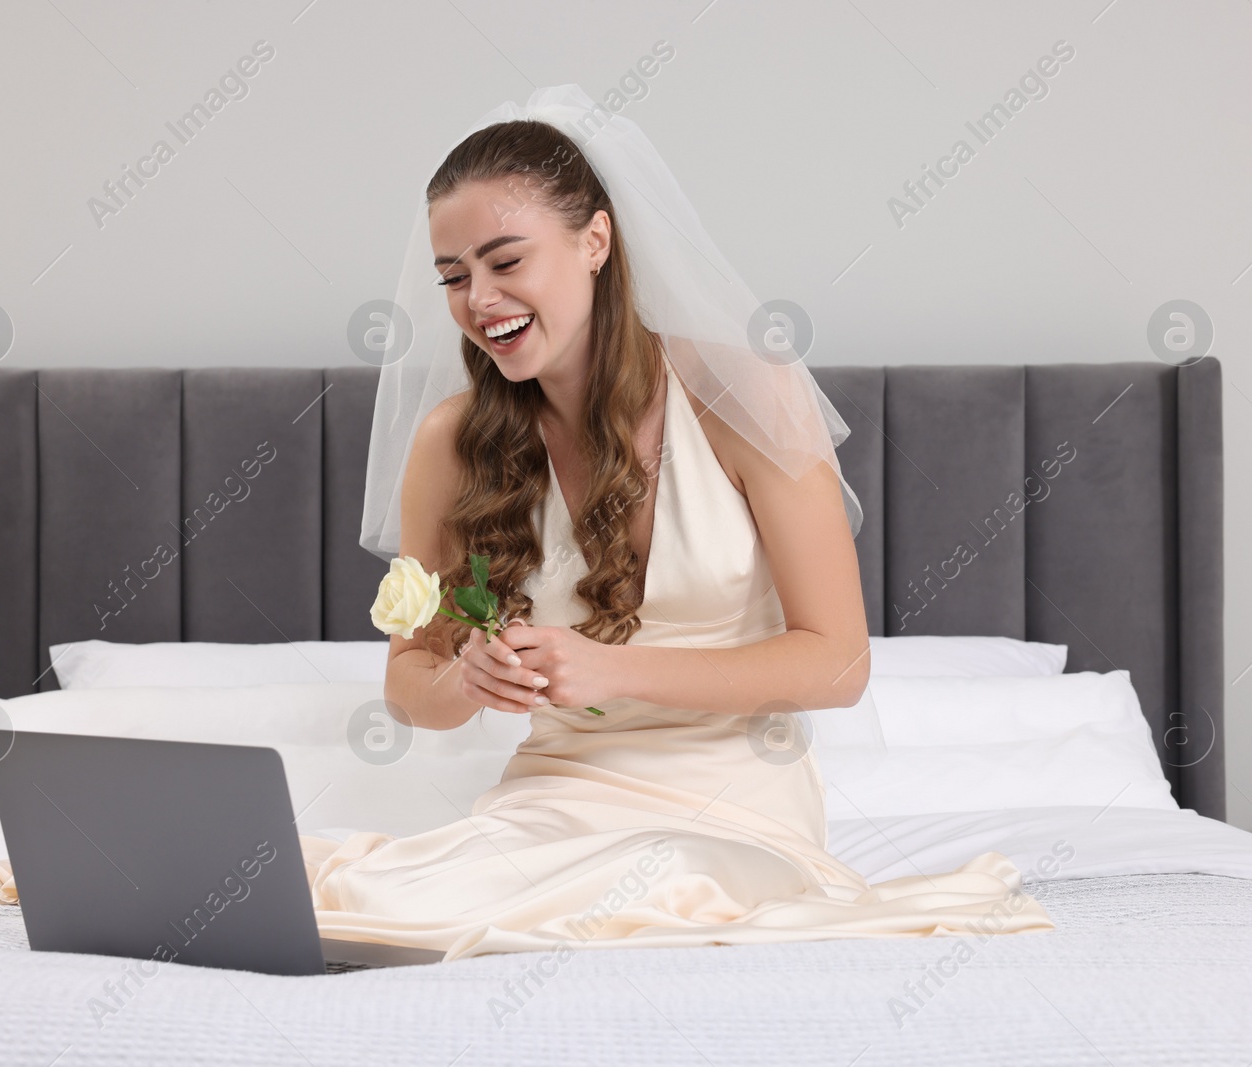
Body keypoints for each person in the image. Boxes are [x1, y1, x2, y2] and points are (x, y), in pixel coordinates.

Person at [304, 86, 1056, 960]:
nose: (480, 299)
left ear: (595, 241)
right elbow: (410, 681)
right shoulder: (449, 442)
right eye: (453, 276)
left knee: (661, 877)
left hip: (735, 800)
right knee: (379, 890)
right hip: (551, 797)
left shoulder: (744, 395)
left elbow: (839, 662)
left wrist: (611, 669)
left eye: (507, 261)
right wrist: (468, 681)